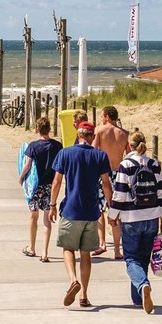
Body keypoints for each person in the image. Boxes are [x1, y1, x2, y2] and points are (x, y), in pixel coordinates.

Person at [50, 121, 112, 309]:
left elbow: (57, 182)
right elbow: (106, 183)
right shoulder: (100, 155)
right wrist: (112, 208)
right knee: (86, 254)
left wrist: (52, 205)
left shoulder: (65, 153)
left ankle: (73, 280)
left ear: (78, 135)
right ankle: (84, 295)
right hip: (91, 212)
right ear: (92, 137)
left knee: (68, 248)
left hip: (70, 210)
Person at [108, 129, 162, 314]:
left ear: (129, 146)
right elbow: (161, 194)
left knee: (131, 258)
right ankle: (138, 298)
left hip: (131, 218)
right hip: (152, 218)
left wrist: (113, 215)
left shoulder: (126, 165)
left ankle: (142, 285)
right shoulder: (155, 164)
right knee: (143, 258)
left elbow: (120, 194)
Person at [19, 117, 62, 262]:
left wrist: (21, 177)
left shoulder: (33, 146)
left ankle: (31, 248)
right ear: (49, 129)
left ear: (37, 129)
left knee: (33, 215)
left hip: (35, 186)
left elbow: (28, 165)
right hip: (50, 185)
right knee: (47, 219)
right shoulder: (57, 146)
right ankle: (44, 252)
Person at [91, 105, 130, 259]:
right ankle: (117, 251)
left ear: (107, 116)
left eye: (102, 115)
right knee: (116, 211)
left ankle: (102, 243)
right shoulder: (124, 133)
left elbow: (93, 151)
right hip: (118, 173)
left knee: (100, 209)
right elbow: (129, 154)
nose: (101, 118)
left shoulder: (99, 131)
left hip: (103, 173)